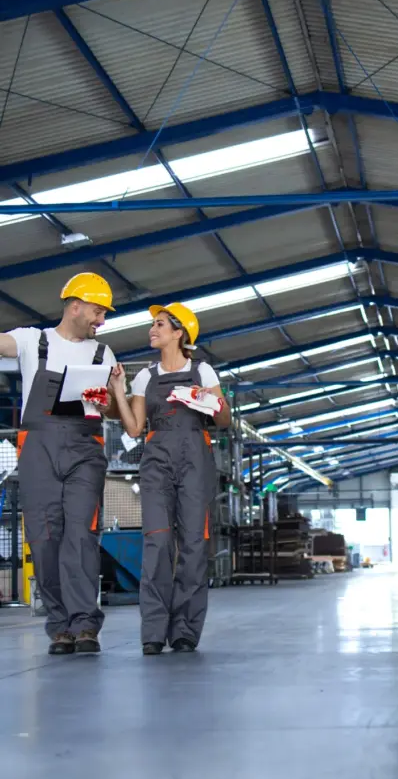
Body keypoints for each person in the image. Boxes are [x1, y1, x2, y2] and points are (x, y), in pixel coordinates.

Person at [0, 273, 117, 654]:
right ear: (75, 305)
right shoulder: (33, 340)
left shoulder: (104, 353)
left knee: (81, 536)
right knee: (44, 538)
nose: (101, 321)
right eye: (98, 312)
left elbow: (114, 407)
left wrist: (105, 400)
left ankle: (85, 625)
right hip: (38, 446)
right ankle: (60, 625)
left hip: (85, 446)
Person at [109, 303, 230, 655]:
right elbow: (133, 427)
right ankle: (153, 631)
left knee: (193, 546)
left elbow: (225, 421)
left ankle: (185, 632)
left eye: (160, 324)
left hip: (195, 459)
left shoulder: (203, 371)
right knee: (157, 544)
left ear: (180, 333)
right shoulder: (145, 377)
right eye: (153, 325)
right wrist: (118, 388)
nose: (153, 329)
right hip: (156, 462)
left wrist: (212, 401)